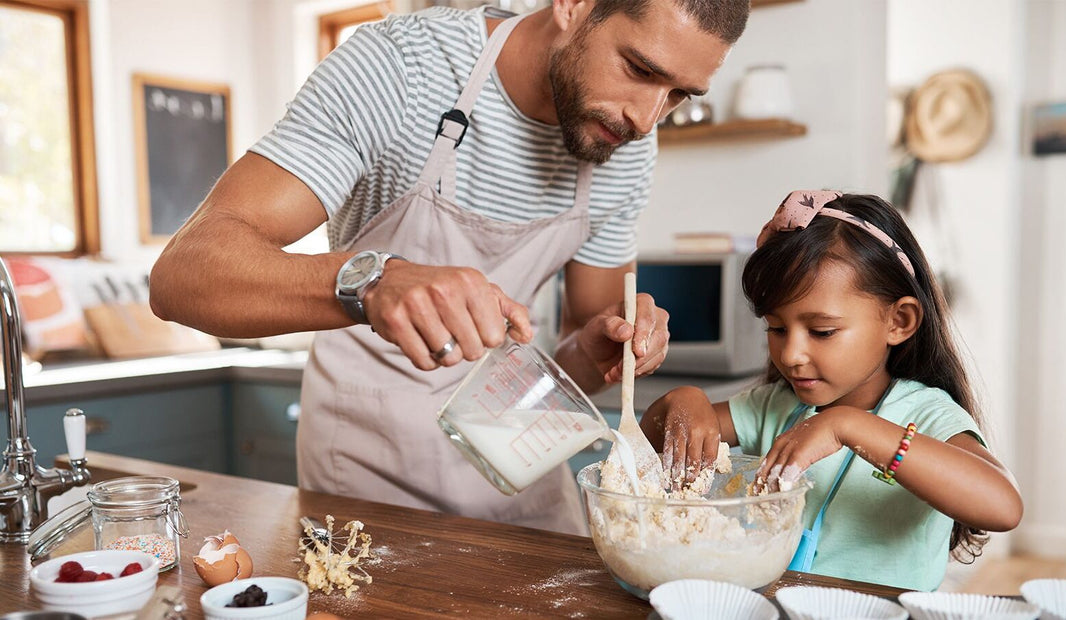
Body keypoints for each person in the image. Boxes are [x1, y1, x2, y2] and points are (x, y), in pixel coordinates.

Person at [148, 0, 750, 535]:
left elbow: (581, 351)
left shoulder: (623, 144)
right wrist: (372, 281)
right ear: (573, 4)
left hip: (517, 454)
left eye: (677, 95)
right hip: (369, 466)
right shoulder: (403, 69)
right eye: (641, 70)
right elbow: (182, 276)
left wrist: (607, 347)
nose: (647, 119)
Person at [639, 191, 1023, 590]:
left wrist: (848, 426)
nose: (791, 354)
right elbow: (649, 440)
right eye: (777, 328)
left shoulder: (926, 414)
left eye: (822, 331)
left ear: (899, 321)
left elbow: (1002, 506)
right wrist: (681, 400)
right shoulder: (774, 407)